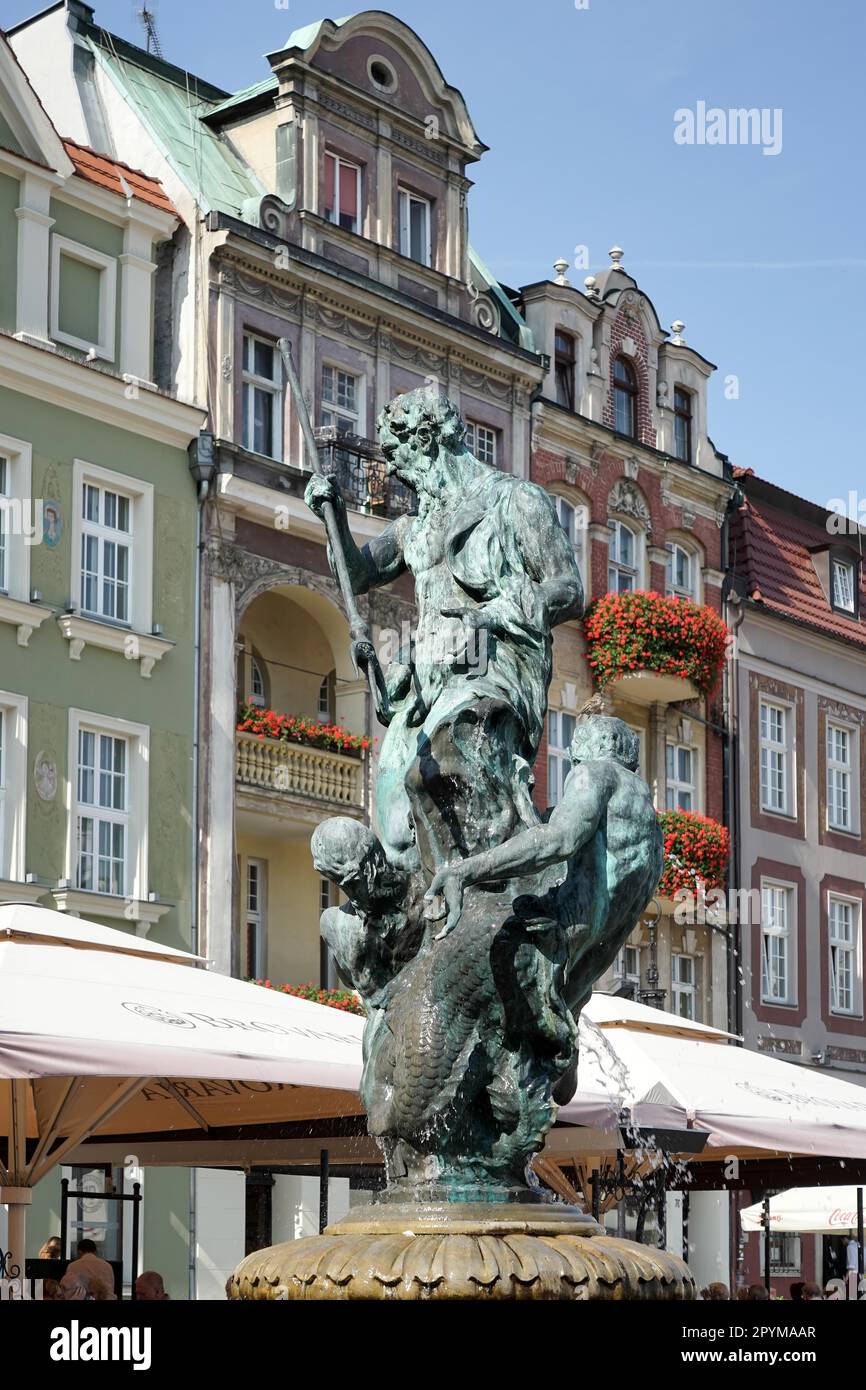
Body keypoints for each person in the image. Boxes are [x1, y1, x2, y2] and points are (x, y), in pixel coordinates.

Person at [305, 389, 584, 872]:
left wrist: (495, 611)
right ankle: (421, 911)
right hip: (427, 681)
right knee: (393, 821)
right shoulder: (414, 527)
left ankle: (491, 877)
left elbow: (567, 589)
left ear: (427, 439)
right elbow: (356, 574)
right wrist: (333, 519)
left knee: (444, 765)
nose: (391, 471)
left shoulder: (514, 501)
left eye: (396, 454)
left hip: (492, 666)